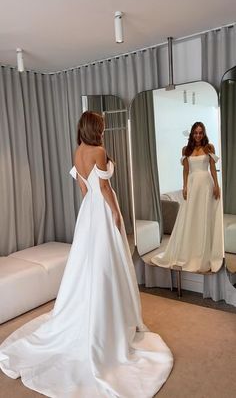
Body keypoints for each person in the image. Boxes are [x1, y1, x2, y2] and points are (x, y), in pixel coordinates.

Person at [0, 111, 173, 398]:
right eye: (102, 125)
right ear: (96, 128)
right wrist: (116, 213)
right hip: (103, 208)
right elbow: (104, 186)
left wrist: (91, 211)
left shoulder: (78, 151)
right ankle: (110, 317)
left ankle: (94, 309)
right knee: (107, 262)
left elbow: (84, 187)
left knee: (88, 263)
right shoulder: (99, 150)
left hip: (89, 210)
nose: (104, 129)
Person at [156, 121, 223, 273]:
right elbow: (186, 170)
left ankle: (204, 252)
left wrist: (216, 185)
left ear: (203, 133)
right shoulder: (186, 149)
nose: (198, 135)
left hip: (206, 184)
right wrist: (185, 186)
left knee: (205, 216)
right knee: (191, 216)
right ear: (192, 134)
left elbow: (212, 168)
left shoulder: (209, 147)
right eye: (195, 132)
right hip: (193, 185)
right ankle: (189, 251)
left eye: (200, 132)